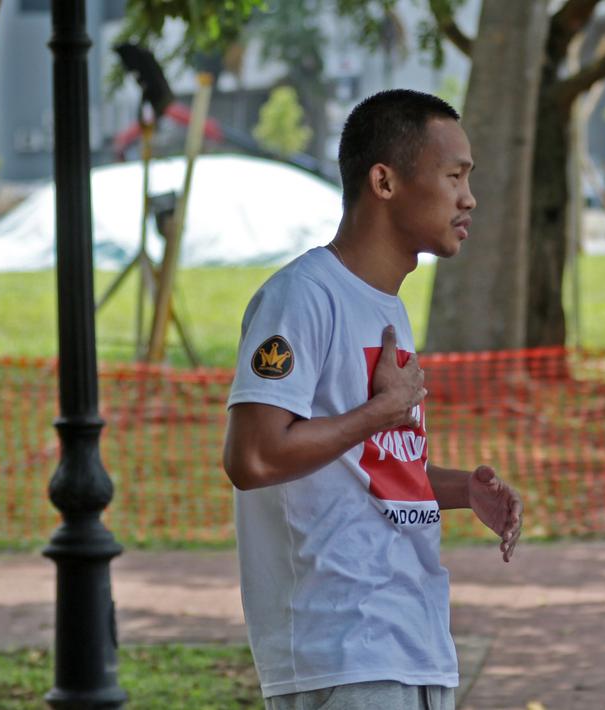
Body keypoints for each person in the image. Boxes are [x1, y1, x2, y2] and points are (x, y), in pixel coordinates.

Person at [223, 89, 523, 710]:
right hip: (342, 649)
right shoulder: (302, 298)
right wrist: (377, 414)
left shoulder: (387, 306)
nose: (468, 198)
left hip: (414, 644)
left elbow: (369, 466)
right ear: (384, 181)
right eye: (453, 175)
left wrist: (463, 489)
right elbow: (252, 458)